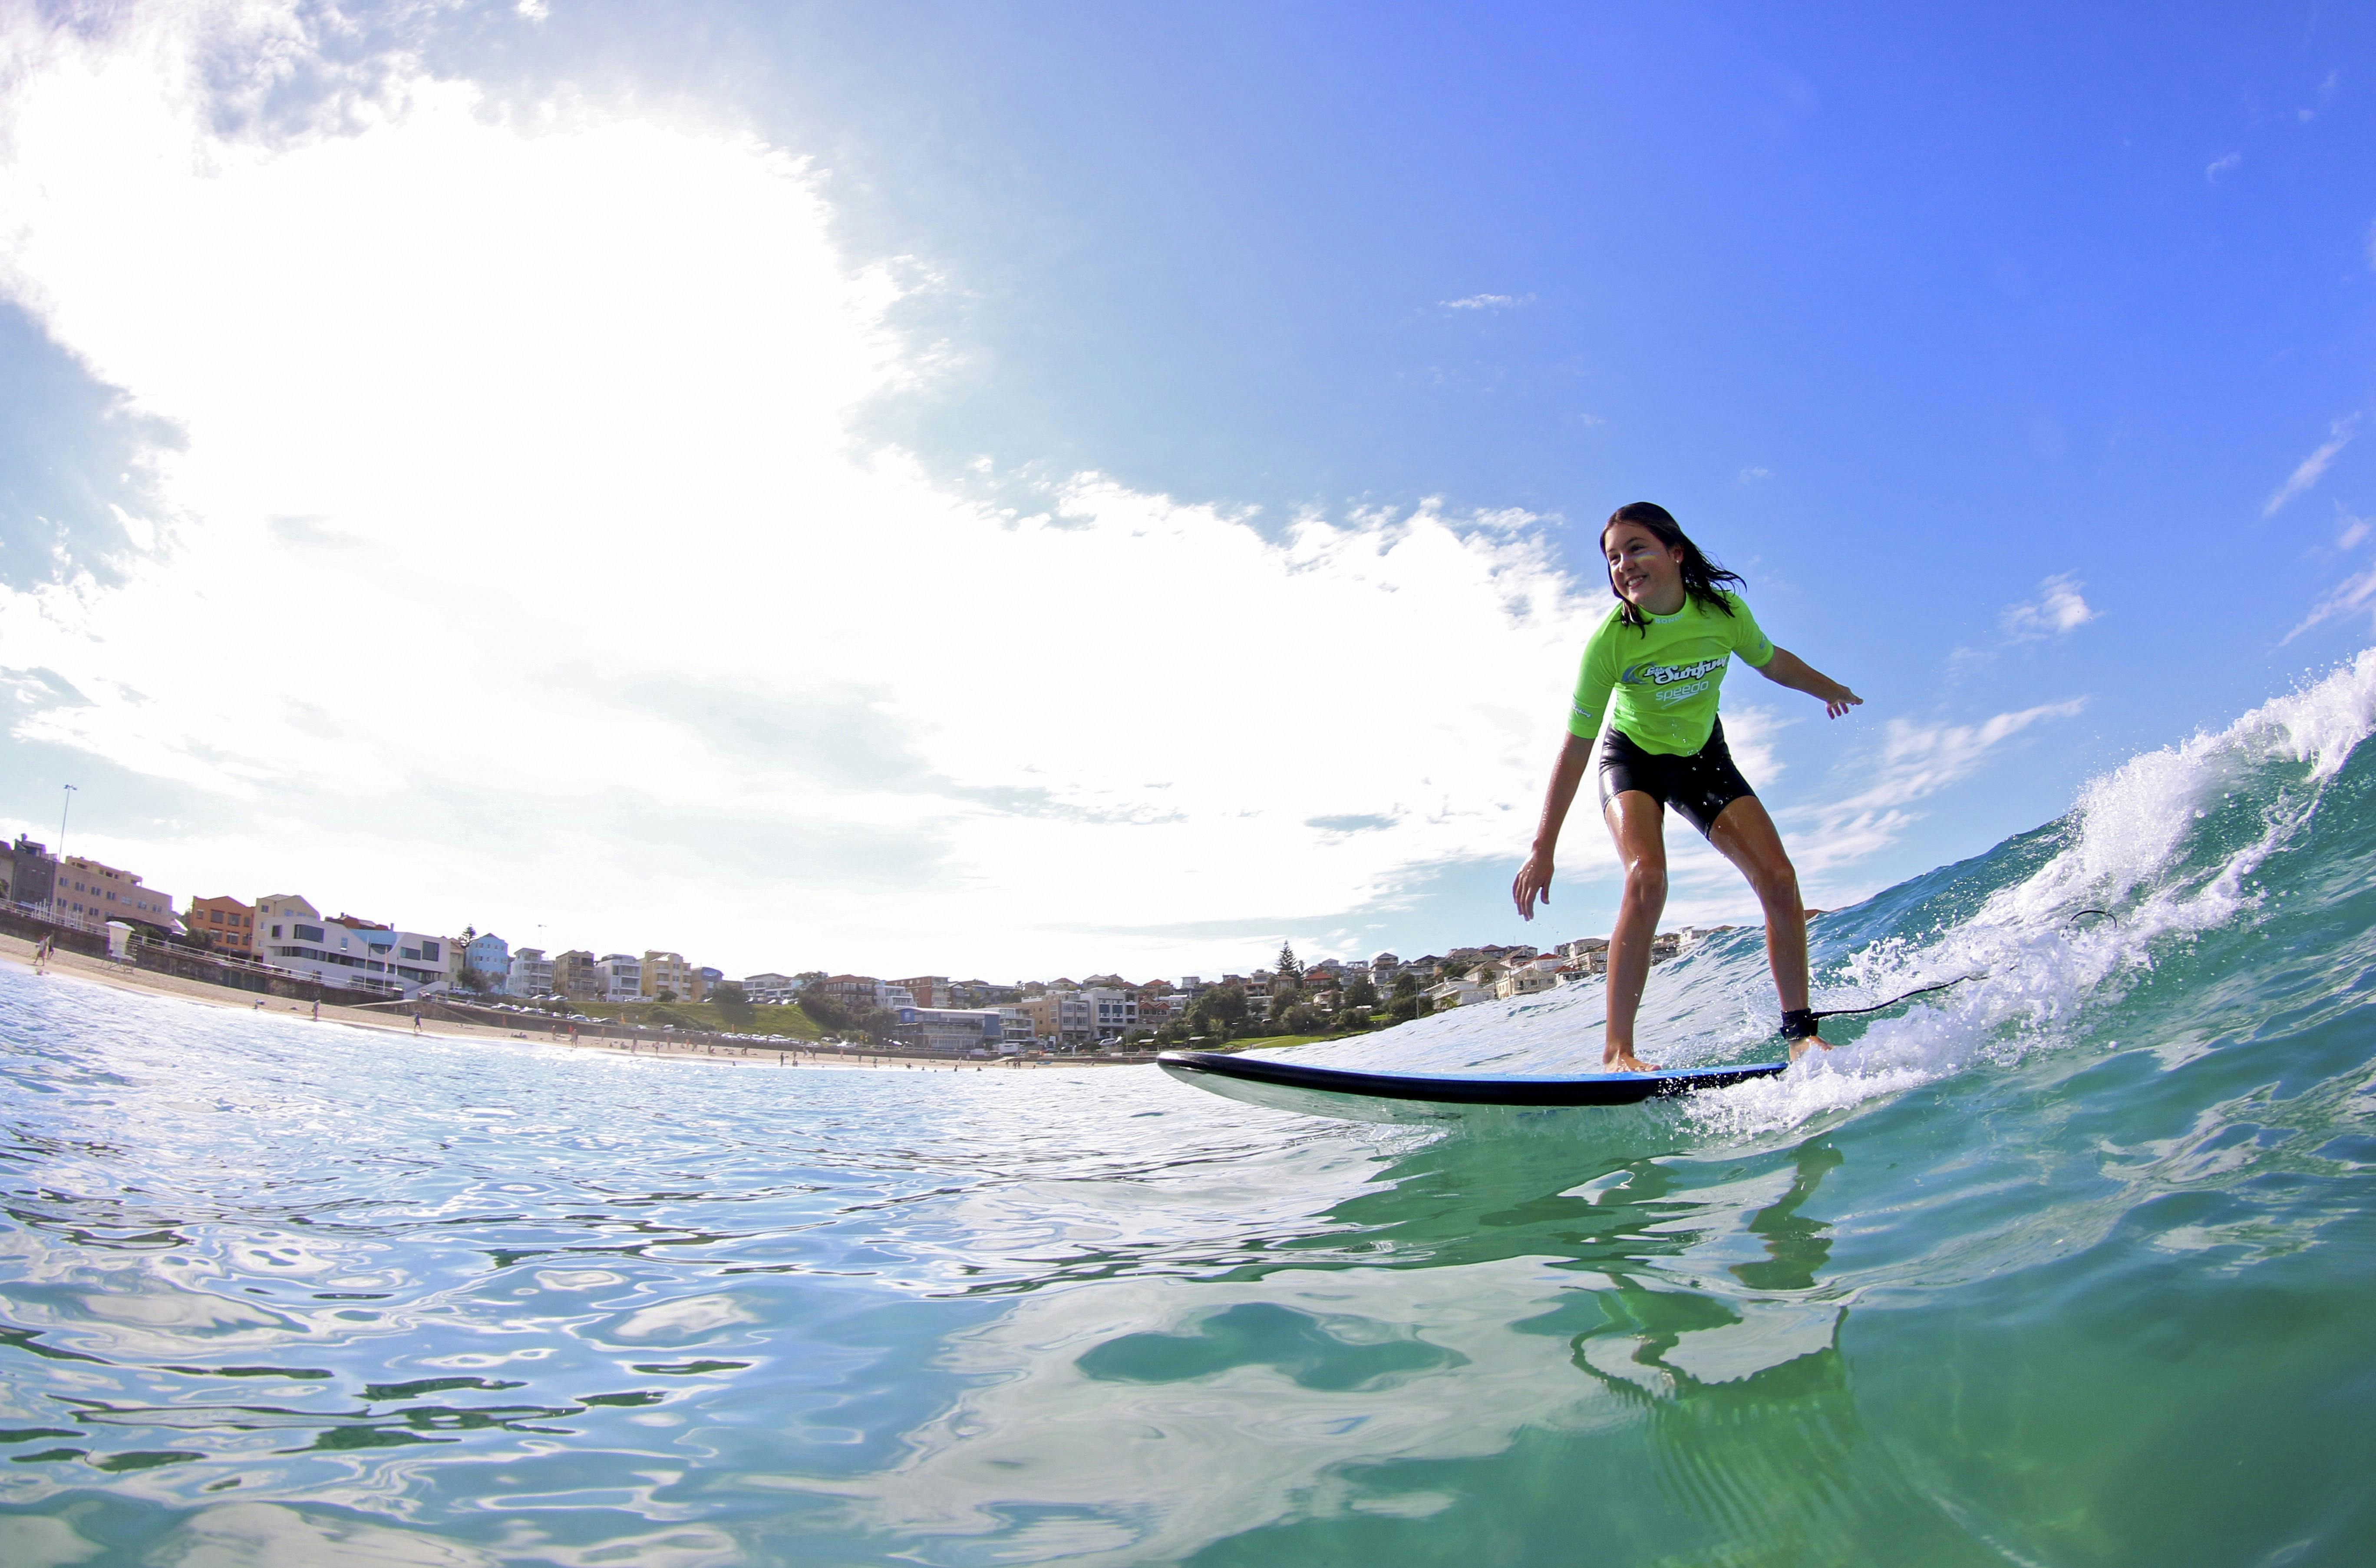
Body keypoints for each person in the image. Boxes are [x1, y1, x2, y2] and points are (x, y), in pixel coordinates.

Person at [1513, 502, 1861, 1071]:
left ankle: (1800, 1033)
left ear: (1675, 553)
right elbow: (1577, 745)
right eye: (1613, 557)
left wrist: (1829, 688)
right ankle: (1618, 1052)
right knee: (1646, 876)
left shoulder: (1721, 613)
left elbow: (1771, 663)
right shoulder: (1612, 642)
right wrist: (1542, 848)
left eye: (1636, 548)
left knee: (1779, 878)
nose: (1623, 564)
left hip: (1701, 757)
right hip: (1632, 761)